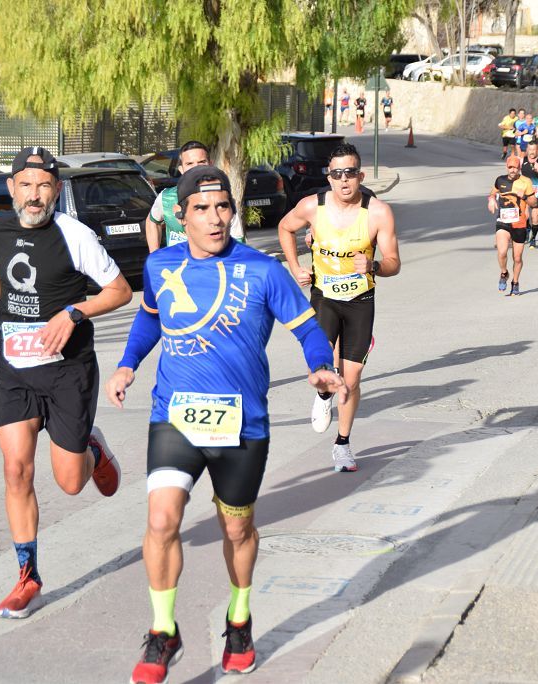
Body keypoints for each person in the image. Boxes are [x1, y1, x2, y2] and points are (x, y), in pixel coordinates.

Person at [108, 166, 346, 684]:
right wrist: (129, 362)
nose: (215, 220)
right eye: (202, 209)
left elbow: (307, 328)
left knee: (236, 527)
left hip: (242, 424)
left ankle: (239, 619)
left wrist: (320, 365)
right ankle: (162, 630)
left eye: (223, 209)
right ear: (180, 215)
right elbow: (150, 316)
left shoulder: (263, 270)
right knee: (161, 520)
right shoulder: (160, 264)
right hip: (174, 414)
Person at [0, 146, 133, 620]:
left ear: (57, 190)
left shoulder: (73, 235)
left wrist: (74, 312)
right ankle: (27, 574)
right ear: (11, 188)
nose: (35, 196)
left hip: (66, 369)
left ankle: (90, 449)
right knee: (16, 469)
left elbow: (120, 291)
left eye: (45, 186)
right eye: (26, 186)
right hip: (14, 367)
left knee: (71, 483)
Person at [278, 142, 401, 472]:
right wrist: (294, 267)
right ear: (328, 177)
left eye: (350, 173)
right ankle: (322, 396)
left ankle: (342, 445)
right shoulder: (311, 207)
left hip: (361, 301)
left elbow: (394, 263)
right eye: (337, 173)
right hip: (324, 297)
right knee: (320, 375)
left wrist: (374, 266)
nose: (344, 180)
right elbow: (285, 228)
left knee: (351, 378)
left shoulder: (378, 212)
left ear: (360, 175)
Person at [147, 140, 245, 252]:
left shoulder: (224, 201)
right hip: (178, 268)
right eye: (189, 164)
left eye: (201, 162)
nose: (196, 168)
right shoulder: (165, 198)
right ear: (181, 169)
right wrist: (154, 255)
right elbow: (152, 221)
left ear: (210, 164)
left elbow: (238, 245)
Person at [488, 155, 535, 296]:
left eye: (515, 167)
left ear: (519, 167)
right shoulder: (500, 180)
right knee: (502, 252)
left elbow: (534, 203)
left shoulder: (526, 182)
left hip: (520, 223)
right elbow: (493, 193)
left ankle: (515, 282)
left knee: (517, 258)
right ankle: (504, 273)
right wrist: (491, 200)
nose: (512, 170)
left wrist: (525, 197)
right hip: (503, 221)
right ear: (507, 167)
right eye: (510, 167)